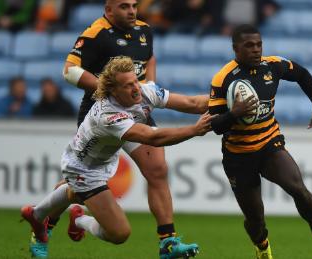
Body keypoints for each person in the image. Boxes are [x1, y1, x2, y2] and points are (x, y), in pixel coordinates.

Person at [51, 1, 208, 258]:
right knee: (79, 184)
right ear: (109, 8)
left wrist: (148, 86)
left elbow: (150, 57)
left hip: (135, 109)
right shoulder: (95, 33)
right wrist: (108, 91)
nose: (132, 11)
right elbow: (69, 71)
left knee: (158, 169)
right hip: (101, 117)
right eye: (124, 6)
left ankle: (167, 241)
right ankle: (48, 218)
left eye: (134, 5)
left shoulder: (144, 30)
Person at [21, 56, 211, 258]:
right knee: (120, 233)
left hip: (104, 159)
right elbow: (153, 138)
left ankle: (36, 214)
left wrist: (225, 99)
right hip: (83, 169)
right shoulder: (108, 115)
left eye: (135, 81)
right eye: (128, 86)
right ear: (113, 91)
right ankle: (76, 220)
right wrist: (195, 129)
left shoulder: (144, 91)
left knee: (73, 192)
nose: (136, 88)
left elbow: (193, 103)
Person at [207, 24, 312, 259]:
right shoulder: (223, 78)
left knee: (298, 189)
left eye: (259, 44)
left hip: (269, 145)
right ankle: (262, 247)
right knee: (255, 217)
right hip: (238, 156)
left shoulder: (273, 65)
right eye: (249, 45)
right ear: (235, 48)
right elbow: (214, 126)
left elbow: (302, 75)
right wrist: (235, 113)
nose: (256, 50)